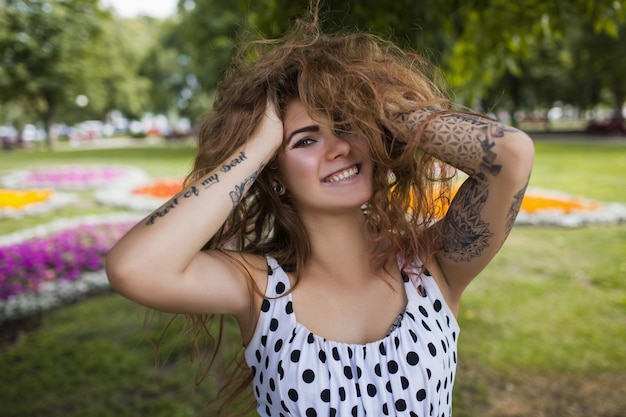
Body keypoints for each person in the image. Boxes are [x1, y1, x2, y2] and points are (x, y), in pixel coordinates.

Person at [105, 3, 534, 416]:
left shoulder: (432, 266)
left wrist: (374, 103)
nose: (340, 147)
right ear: (275, 173)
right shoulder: (258, 289)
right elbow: (135, 268)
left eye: (347, 126)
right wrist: (255, 149)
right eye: (306, 140)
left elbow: (510, 156)